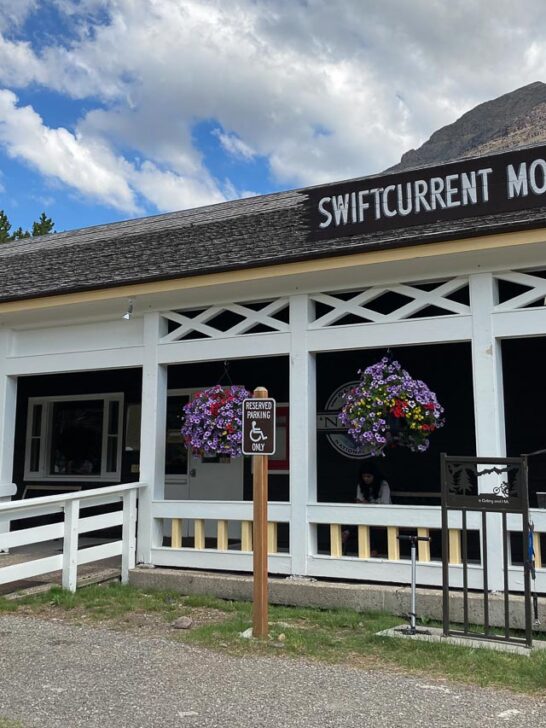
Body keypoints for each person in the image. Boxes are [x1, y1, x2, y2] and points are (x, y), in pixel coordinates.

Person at [342, 463, 391, 553]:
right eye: (364, 476)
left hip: (381, 513)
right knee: (358, 518)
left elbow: (385, 503)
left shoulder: (383, 484)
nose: (366, 479)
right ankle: (347, 534)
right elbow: (359, 501)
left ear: (374, 476)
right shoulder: (361, 485)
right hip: (364, 514)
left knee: (372, 526)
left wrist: (369, 504)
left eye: (369, 476)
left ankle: (348, 532)